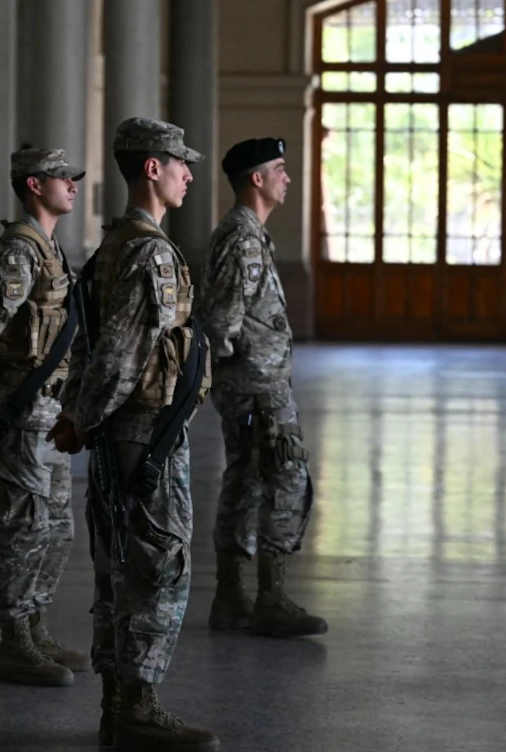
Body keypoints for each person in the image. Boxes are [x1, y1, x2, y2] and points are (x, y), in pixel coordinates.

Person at [48, 118, 218, 751]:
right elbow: (119, 351)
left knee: (118, 566)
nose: (188, 175)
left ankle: (118, 705)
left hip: (123, 429)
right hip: (144, 430)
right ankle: (139, 708)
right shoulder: (148, 251)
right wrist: (81, 417)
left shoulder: (112, 246)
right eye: (179, 164)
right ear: (152, 169)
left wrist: (83, 416)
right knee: (157, 567)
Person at [0, 147, 91, 687]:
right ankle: (14, 642)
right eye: (62, 178)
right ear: (34, 185)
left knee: (57, 528)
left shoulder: (50, 247)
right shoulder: (20, 250)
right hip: (21, 408)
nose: (72, 186)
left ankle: (37, 626)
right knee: (23, 528)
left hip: (48, 409)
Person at [200, 137, 328, 638]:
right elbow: (223, 321)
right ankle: (270, 598)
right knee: (285, 478)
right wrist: (242, 375)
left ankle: (232, 597)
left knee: (247, 480)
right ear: (257, 179)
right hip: (257, 387)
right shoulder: (243, 239)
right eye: (279, 168)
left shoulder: (246, 234)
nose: (287, 177)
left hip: (251, 383)